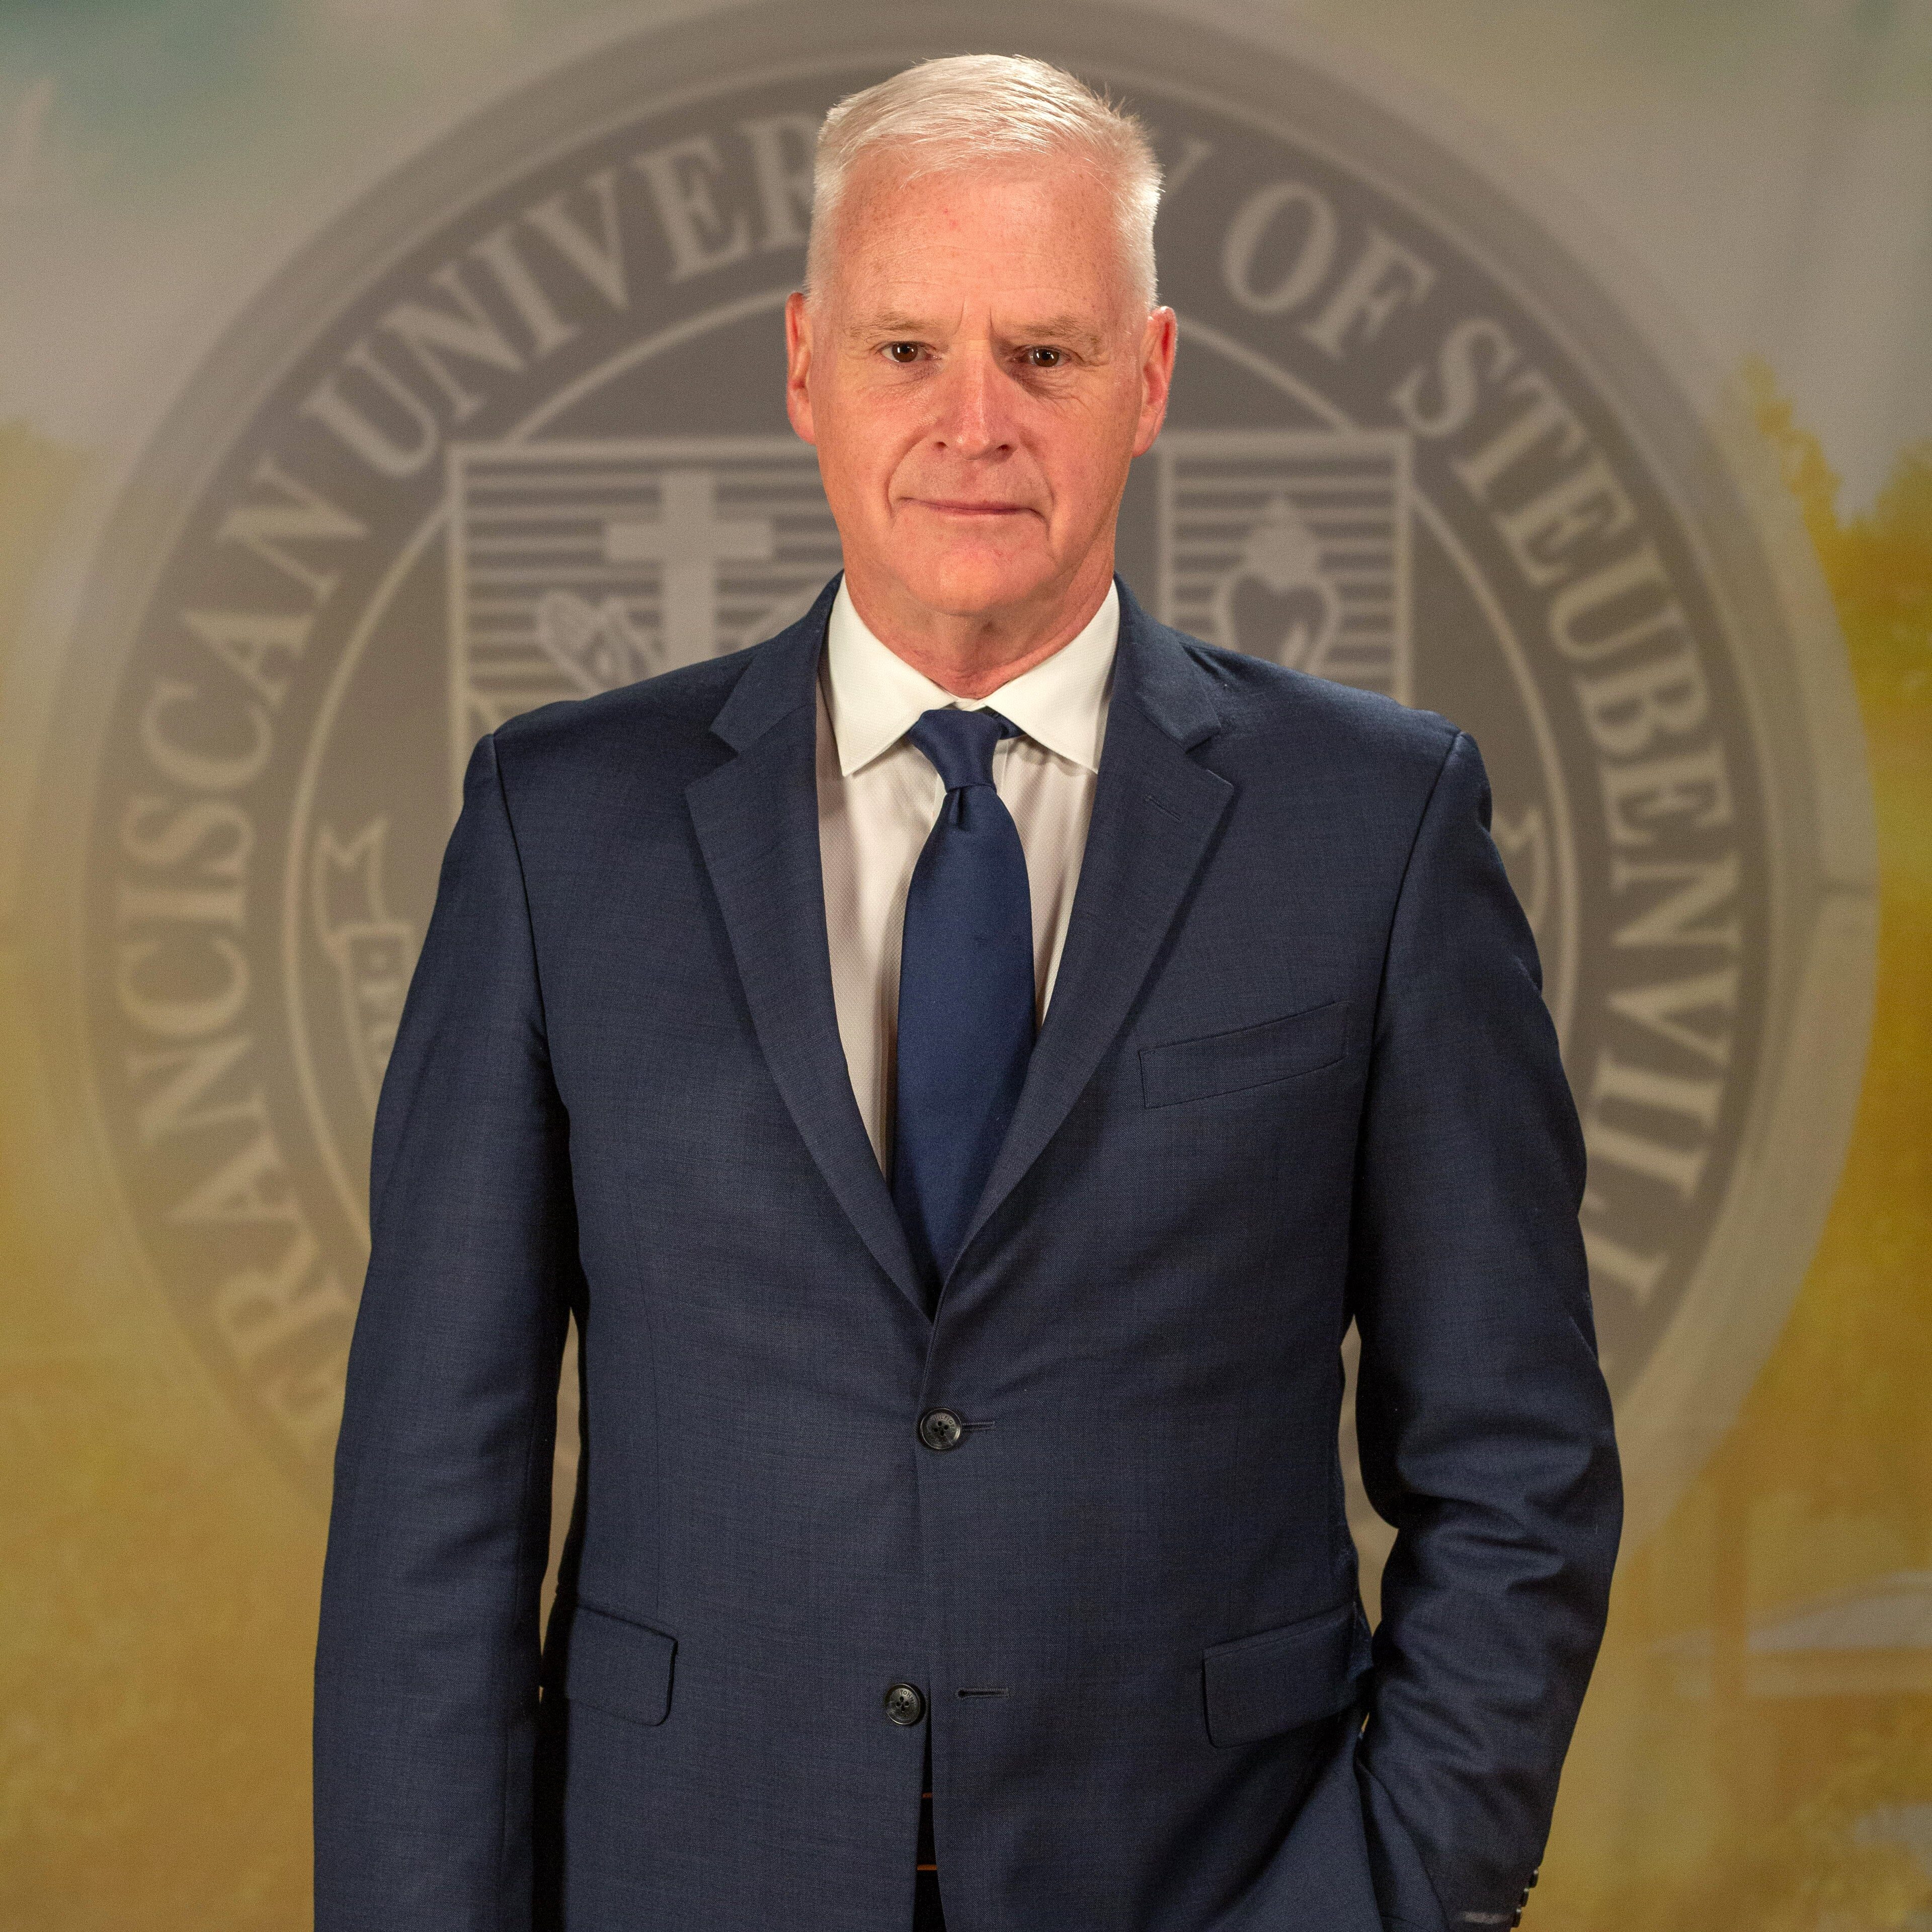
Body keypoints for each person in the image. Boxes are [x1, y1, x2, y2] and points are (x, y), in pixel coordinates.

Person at [313, 53, 1621, 1932]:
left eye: (1048, 354)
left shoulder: (1379, 826)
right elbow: (431, 1510)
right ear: (802, 368)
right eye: (908, 349)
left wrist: (1387, 1903)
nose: (975, 422)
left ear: (1152, 377)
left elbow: (1519, 1471)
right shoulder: (557, 828)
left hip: (1220, 1887)